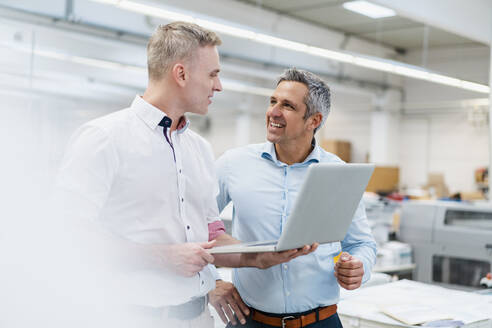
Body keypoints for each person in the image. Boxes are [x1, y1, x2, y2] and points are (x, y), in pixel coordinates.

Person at [54, 23, 316, 328]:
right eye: (213, 74)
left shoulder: (199, 148)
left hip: (198, 317)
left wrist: (260, 257)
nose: (219, 86)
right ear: (181, 74)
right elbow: (65, 235)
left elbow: (212, 236)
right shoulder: (103, 137)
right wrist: (160, 257)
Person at [209, 68, 377, 328]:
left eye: (287, 106)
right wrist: (212, 282)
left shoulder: (338, 173)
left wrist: (359, 267)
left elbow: (362, 243)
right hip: (251, 321)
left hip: (320, 322)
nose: (273, 112)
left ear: (314, 120)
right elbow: (191, 223)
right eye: (273, 101)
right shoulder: (233, 164)